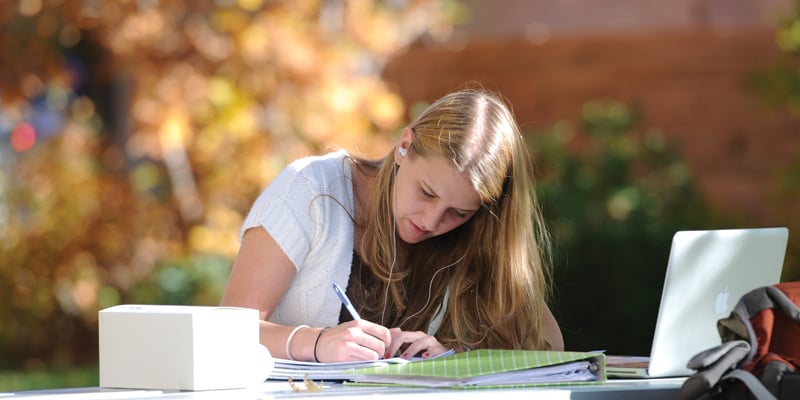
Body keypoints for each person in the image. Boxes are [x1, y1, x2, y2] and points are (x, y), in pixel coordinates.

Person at [220, 86, 564, 363]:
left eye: (457, 213)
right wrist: (317, 343)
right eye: (426, 193)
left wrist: (449, 356)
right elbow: (225, 330)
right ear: (404, 146)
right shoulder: (309, 190)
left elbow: (547, 345)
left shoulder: (477, 230)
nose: (431, 221)